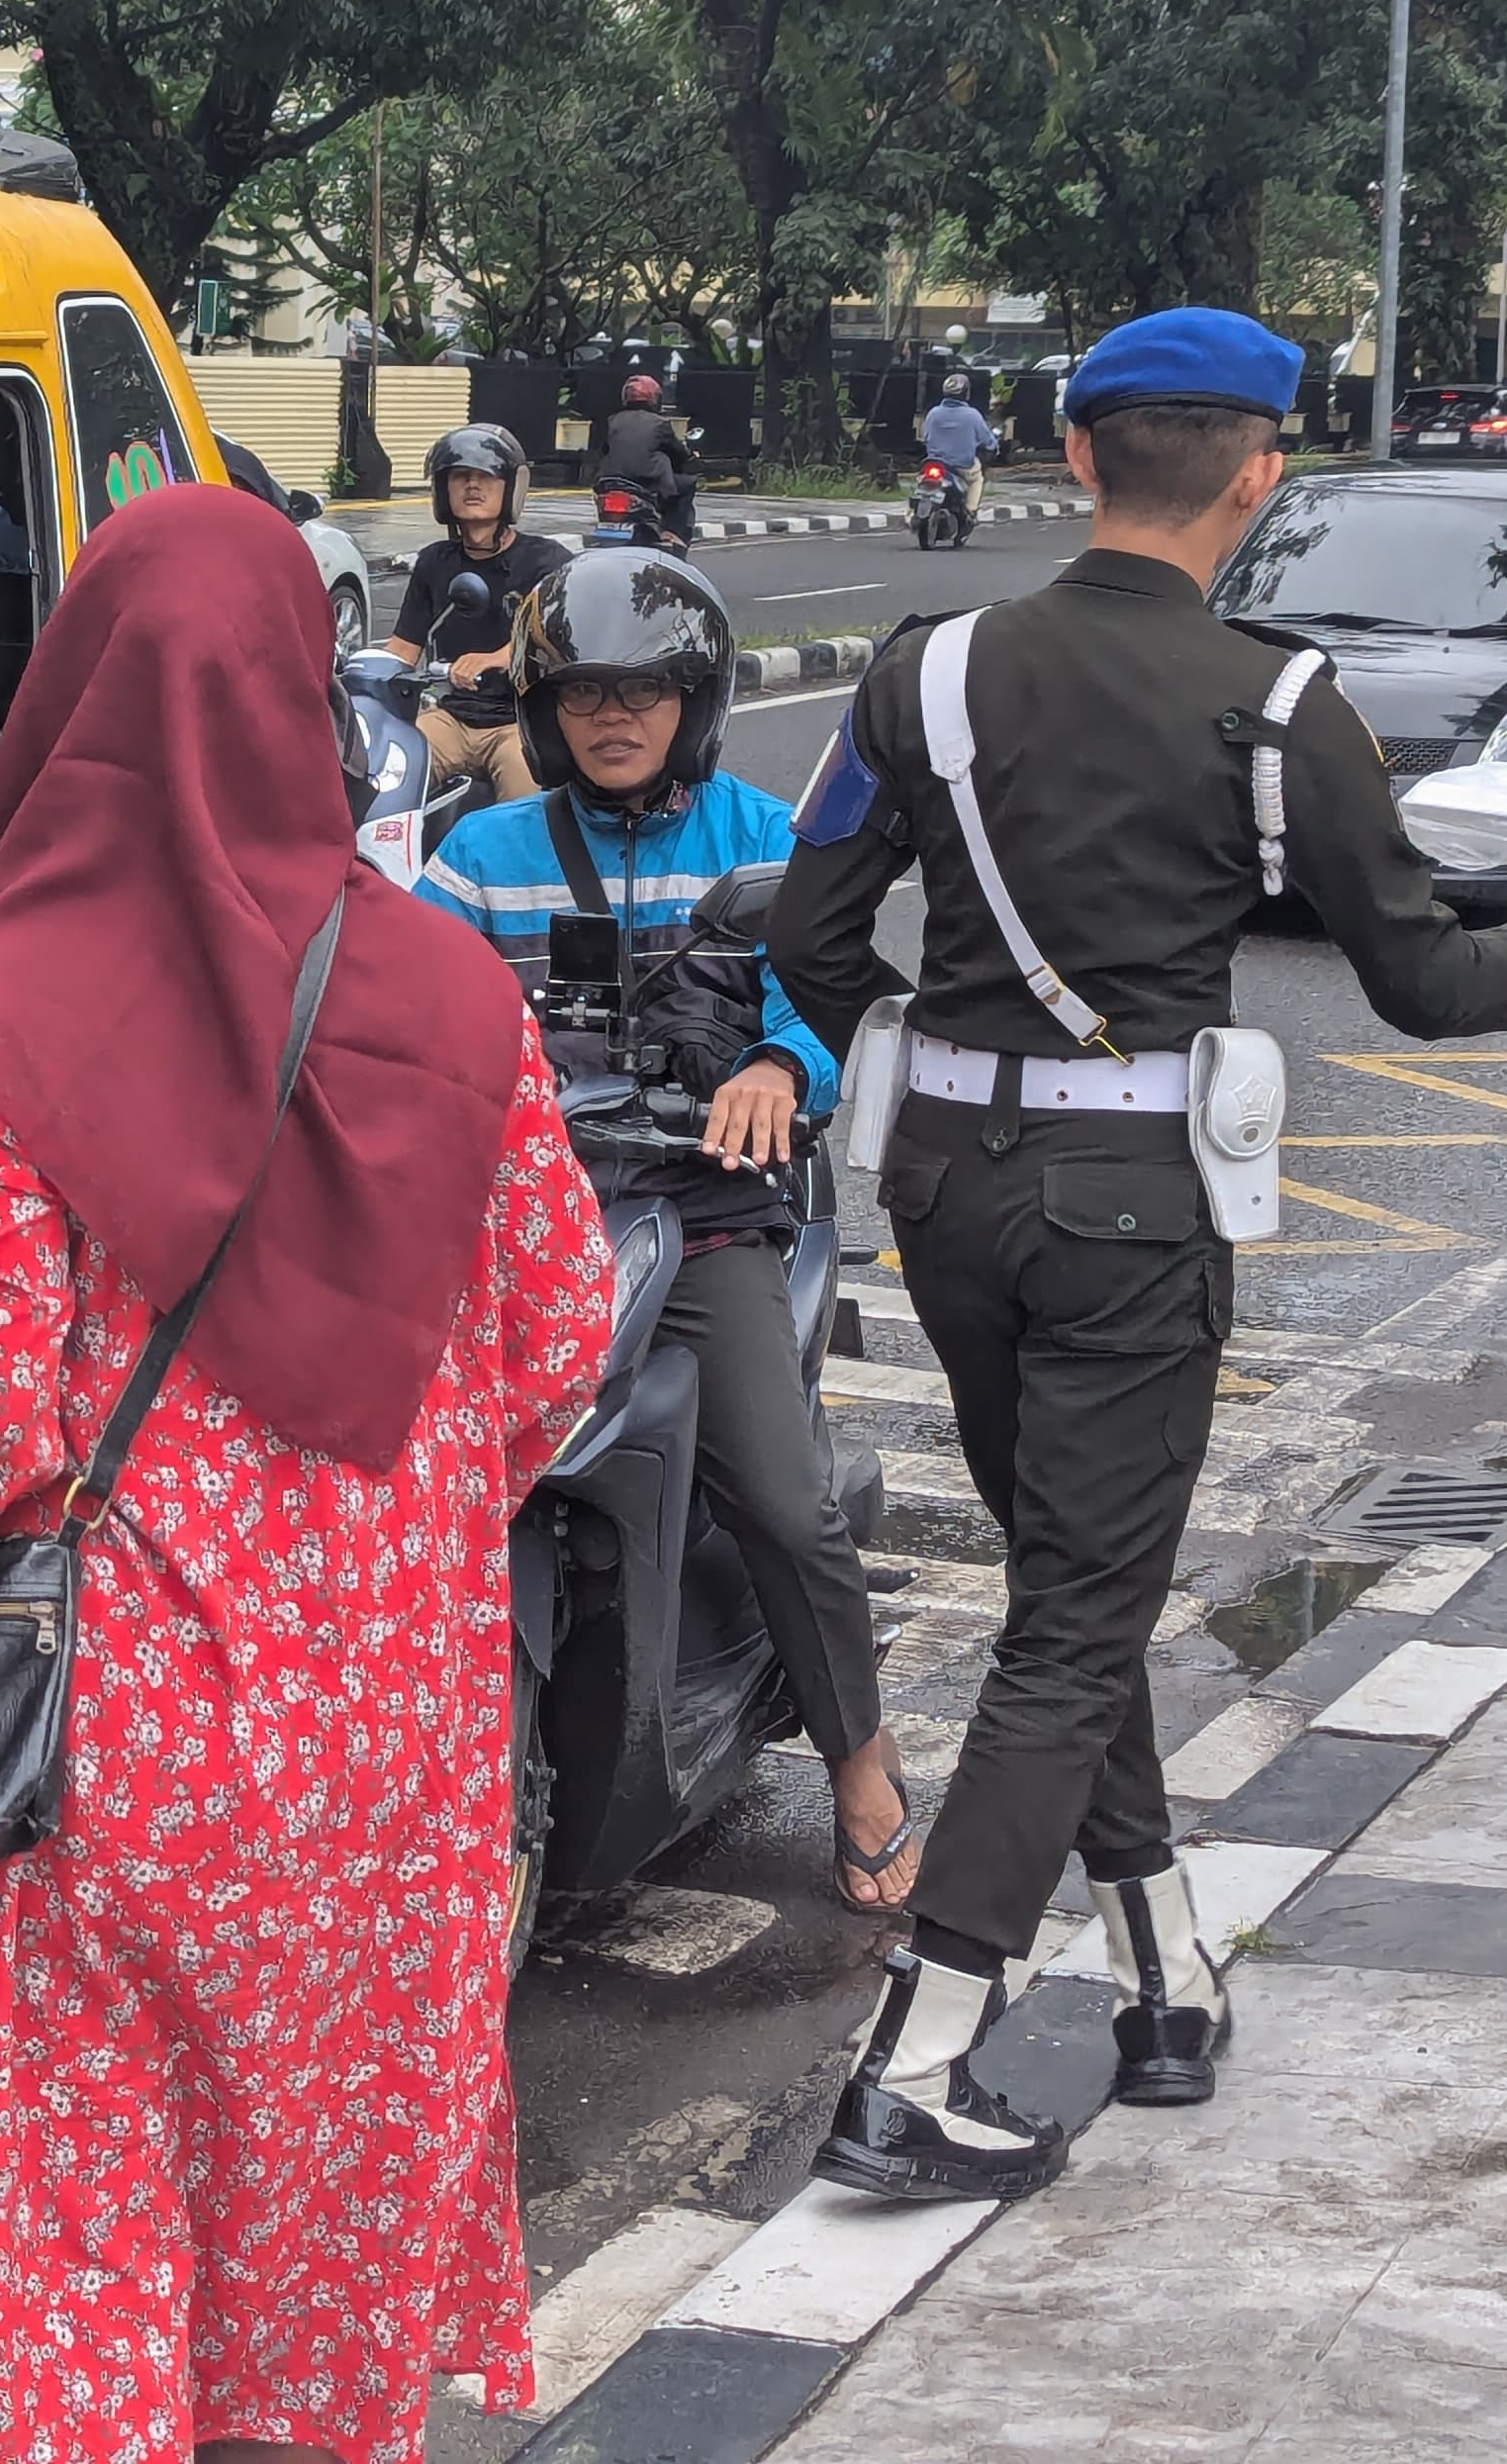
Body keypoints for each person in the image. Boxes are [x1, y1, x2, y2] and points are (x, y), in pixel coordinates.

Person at [0, 488, 611, 2463]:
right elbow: (556, 1352)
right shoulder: (452, 994)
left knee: (82, 2285)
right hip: (387, 1764)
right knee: (306, 2255)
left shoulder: (10, 1006)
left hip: (101, 1767)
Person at [772, 306, 1507, 2201]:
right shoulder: (1279, 698)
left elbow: (815, 927)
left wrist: (936, 1046)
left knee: (1068, 1591)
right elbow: (1415, 972)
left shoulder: (917, 674)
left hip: (943, 1187)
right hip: (1131, 1212)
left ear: (1075, 459)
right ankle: (918, 2059)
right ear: (1257, 479)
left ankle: (1164, 1971)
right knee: (1075, 1617)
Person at [420, 545, 921, 1909]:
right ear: (543, 709)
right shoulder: (480, 857)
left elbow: (826, 1000)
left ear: (694, 703)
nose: (613, 716)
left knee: (781, 1498)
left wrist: (777, 1069)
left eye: (646, 690)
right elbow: (405, 1019)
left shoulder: (763, 841)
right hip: (516, 1230)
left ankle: (861, 1765)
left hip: (698, 1223)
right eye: (583, 693)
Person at [387, 423, 572, 808]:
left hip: (518, 724)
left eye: (486, 476)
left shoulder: (545, 560)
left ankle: (520, 871)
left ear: (510, 488)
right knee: (388, 771)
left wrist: (494, 658)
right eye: (460, 476)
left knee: (524, 811)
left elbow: (557, 636)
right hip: (451, 718)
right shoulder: (433, 563)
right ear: (443, 489)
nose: (473, 486)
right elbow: (403, 647)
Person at [595, 372, 698, 541]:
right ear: (654, 398)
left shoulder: (612, 421)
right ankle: (674, 533)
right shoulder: (659, 423)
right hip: (646, 482)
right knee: (687, 484)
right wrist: (690, 459)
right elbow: (678, 453)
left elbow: (602, 450)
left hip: (608, 481)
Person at [918, 374, 995, 517]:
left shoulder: (933, 413)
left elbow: (925, 436)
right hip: (962, 466)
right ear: (966, 393)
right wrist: (992, 447)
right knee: (977, 479)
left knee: (921, 481)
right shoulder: (973, 415)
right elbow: (988, 441)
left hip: (934, 462)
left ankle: (910, 514)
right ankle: (971, 511)